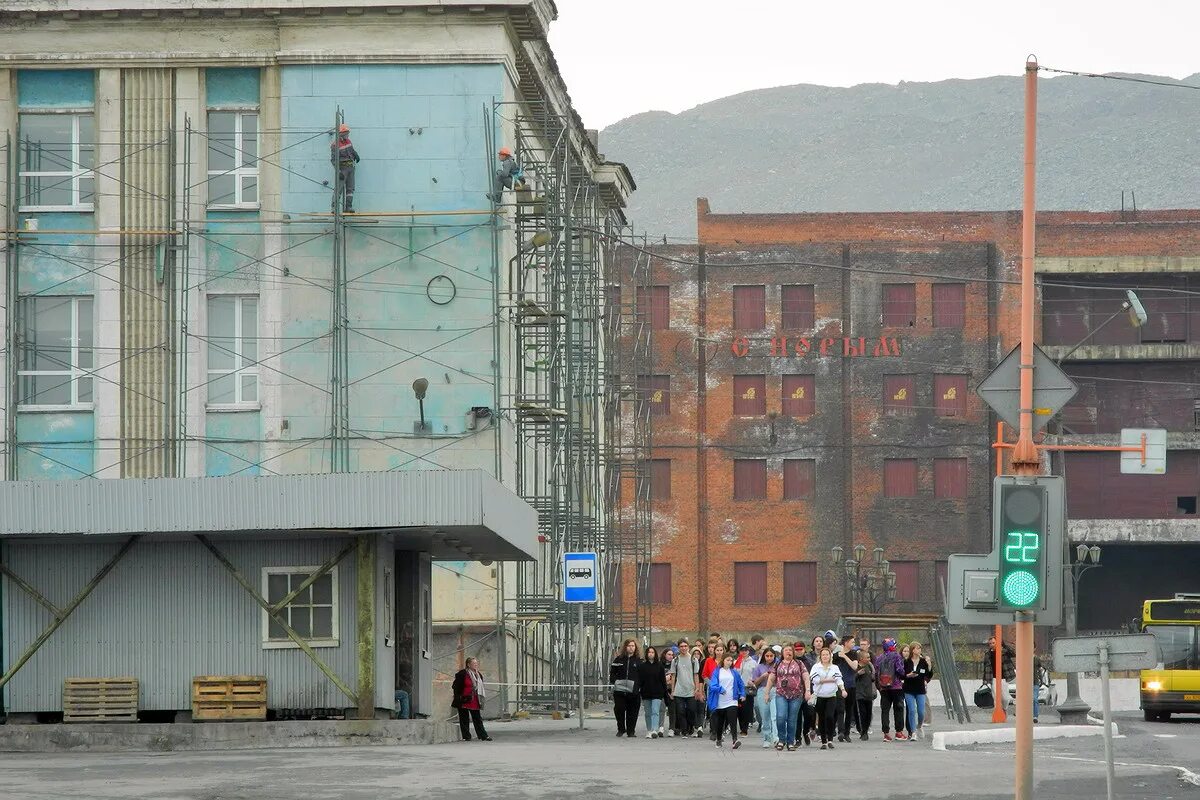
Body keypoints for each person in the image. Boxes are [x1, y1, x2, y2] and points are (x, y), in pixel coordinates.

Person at [773, 644, 809, 751]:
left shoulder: (799, 663)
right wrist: (766, 693)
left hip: (796, 695)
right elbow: (771, 678)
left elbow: (806, 677)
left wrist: (808, 691)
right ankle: (781, 740)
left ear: (793, 653)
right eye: (786, 650)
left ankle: (790, 742)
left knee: (792, 719)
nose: (788, 652)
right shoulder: (778, 663)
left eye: (790, 650)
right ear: (782, 653)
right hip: (781, 694)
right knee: (780, 717)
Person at [706, 652, 746, 749]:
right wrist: (720, 689)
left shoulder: (734, 672)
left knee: (732, 719)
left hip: (732, 700)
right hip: (720, 701)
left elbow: (740, 684)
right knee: (720, 722)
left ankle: (734, 740)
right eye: (727, 660)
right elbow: (713, 685)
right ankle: (719, 739)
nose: (729, 662)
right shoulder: (717, 671)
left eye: (731, 660)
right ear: (723, 660)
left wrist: (742, 694)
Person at [810, 647, 847, 750]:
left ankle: (830, 738)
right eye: (823, 655)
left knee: (830, 716)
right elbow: (815, 680)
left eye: (827, 654)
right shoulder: (816, 667)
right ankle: (824, 741)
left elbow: (839, 679)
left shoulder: (834, 667)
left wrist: (843, 689)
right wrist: (830, 680)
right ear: (820, 656)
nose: (825, 656)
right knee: (821, 718)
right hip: (820, 696)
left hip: (831, 696)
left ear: (830, 655)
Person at [450, 657, 492, 741]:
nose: (476, 665)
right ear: (468, 665)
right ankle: (466, 736)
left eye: (476, 663)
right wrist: (458, 697)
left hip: (475, 699)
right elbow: (455, 686)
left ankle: (483, 735)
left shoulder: (478, 674)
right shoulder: (462, 674)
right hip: (464, 699)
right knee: (464, 718)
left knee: (477, 718)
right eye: (474, 663)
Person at [875, 637, 907, 742]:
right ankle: (899, 732)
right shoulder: (897, 656)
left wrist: (879, 686)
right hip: (896, 686)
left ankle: (886, 733)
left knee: (885, 710)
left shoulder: (879, 658)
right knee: (898, 709)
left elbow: (876, 673)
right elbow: (900, 671)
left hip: (884, 688)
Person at [610, 639, 642, 737]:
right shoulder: (618, 659)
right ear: (625, 647)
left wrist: (638, 686)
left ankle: (631, 731)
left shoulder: (639, 661)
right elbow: (612, 673)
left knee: (633, 711)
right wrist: (615, 681)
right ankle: (621, 729)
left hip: (634, 692)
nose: (631, 647)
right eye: (629, 645)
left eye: (633, 645)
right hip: (619, 691)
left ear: (635, 647)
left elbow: (642, 676)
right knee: (619, 709)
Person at [903, 641, 933, 740]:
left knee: (921, 712)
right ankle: (913, 732)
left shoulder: (923, 661)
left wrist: (929, 666)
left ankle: (919, 725)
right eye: (917, 648)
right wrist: (909, 675)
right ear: (912, 650)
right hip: (909, 689)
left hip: (920, 689)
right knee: (911, 710)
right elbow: (902, 675)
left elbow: (929, 675)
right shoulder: (906, 662)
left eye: (920, 648)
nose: (919, 650)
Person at [668, 638, 698, 737]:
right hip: (679, 689)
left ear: (688, 647)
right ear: (678, 648)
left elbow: (696, 675)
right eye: (681, 646)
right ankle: (684, 730)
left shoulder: (694, 660)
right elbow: (673, 676)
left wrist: (697, 688)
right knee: (680, 711)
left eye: (685, 646)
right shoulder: (675, 660)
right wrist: (672, 690)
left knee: (691, 710)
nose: (683, 648)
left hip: (691, 689)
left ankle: (691, 726)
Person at [330, 123, 360, 213]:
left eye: (348, 133)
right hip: (342, 169)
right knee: (339, 189)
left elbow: (351, 150)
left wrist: (355, 154)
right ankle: (334, 208)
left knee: (350, 189)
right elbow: (333, 160)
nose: (348, 135)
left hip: (351, 167)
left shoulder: (348, 141)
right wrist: (338, 171)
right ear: (341, 134)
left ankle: (348, 207)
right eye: (346, 133)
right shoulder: (335, 145)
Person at [639, 646, 668, 738]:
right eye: (649, 652)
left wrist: (665, 692)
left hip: (657, 692)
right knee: (648, 713)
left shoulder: (659, 666)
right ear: (646, 654)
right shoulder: (643, 666)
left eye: (652, 652)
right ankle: (649, 730)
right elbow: (640, 680)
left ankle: (655, 730)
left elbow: (663, 680)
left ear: (655, 654)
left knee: (655, 711)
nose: (651, 654)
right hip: (646, 692)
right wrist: (640, 691)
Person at [752, 646, 778, 749]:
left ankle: (776, 737)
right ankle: (767, 738)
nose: (769, 658)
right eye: (767, 656)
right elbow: (755, 683)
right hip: (762, 690)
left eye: (771, 656)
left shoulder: (777, 666)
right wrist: (763, 676)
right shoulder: (759, 667)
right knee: (765, 716)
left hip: (775, 690)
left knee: (775, 715)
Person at [835, 635, 858, 743]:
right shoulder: (835, 656)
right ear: (845, 643)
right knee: (840, 709)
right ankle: (840, 731)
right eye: (852, 642)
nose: (853, 644)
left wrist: (845, 656)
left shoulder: (854, 654)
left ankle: (847, 733)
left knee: (849, 709)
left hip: (851, 684)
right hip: (839, 685)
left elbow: (854, 666)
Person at [984, 635, 1017, 712]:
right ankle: (997, 713)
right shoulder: (988, 654)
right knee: (996, 697)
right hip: (994, 678)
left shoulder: (1005, 651)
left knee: (1005, 698)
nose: (991, 645)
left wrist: (1004, 645)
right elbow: (986, 668)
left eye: (993, 643)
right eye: (990, 643)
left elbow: (1014, 653)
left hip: (1004, 678)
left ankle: (1004, 709)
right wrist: (985, 680)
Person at [855, 648, 877, 740]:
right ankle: (863, 731)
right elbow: (852, 679)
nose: (869, 659)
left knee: (868, 714)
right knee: (862, 713)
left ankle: (866, 729)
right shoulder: (857, 667)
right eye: (867, 657)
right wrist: (857, 674)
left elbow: (873, 678)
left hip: (869, 694)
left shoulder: (869, 666)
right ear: (861, 659)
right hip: (860, 694)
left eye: (869, 657)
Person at [737, 644, 758, 735]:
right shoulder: (736, 661)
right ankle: (741, 726)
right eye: (742, 650)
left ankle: (744, 728)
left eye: (745, 650)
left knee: (746, 709)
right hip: (738, 689)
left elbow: (757, 676)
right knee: (739, 709)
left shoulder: (753, 663)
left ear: (748, 651)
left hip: (748, 688)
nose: (744, 652)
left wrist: (753, 682)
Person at [661, 646, 677, 734]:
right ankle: (660, 727)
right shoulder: (660, 665)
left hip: (672, 689)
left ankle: (672, 728)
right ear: (664, 655)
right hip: (662, 690)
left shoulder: (674, 665)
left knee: (672, 710)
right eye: (669, 654)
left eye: (672, 655)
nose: (671, 656)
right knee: (661, 709)